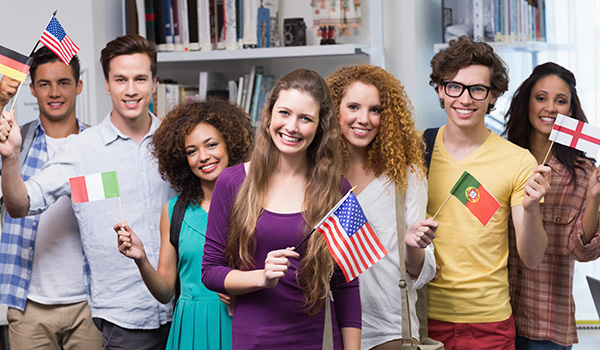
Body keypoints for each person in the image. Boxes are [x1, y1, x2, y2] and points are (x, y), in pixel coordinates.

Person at [0, 33, 174, 349]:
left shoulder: (175, 142)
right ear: (106, 85)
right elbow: (22, 204)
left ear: (154, 82)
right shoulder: (82, 151)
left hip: (182, 313)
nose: (131, 89)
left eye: (140, 79)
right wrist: (10, 157)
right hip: (124, 321)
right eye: (121, 79)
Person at [201, 68, 361, 349]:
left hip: (319, 341)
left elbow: (348, 285)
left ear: (320, 127)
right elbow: (210, 271)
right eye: (284, 113)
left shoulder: (339, 189)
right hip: (253, 340)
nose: (292, 127)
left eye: (305, 118)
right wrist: (261, 277)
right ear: (270, 115)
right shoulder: (232, 181)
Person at [425, 36, 551, 350]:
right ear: (440, 89)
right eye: (454, 86)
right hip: (422, 316)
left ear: (493, 96)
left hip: (489, 322)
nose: (465, 99)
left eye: (477, 89)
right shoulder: (415, 150)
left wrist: (533, 209)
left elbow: (532, 257)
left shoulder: (518, 160)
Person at [114, 98, 253, 349]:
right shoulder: (174, 212)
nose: (203, 157)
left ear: (230, 145)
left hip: (241, 324)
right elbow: (165, 292)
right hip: (190, 328)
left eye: (211, 145)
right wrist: (141, 258)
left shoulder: (255, 206)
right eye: (192, 151)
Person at [326, 64, 437, 349]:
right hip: (325, 325)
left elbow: (420, 273)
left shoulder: (406, 176)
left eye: (375, 110)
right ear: (333, 110)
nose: (364, 119)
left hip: (389, 328)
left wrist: (414, 245)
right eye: (353, 106)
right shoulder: (315, 174)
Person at [0, 47, 102, 349]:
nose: (54, 92)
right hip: (28, 304)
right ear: (31, 89)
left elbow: (104, 208)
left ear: (79, 85)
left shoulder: (97, 146)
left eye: (64, 82)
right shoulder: (12, 143)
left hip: (90, 304)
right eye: (44, 83)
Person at [504, 62, 600, 350]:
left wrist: (594, 198)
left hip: (547, 326)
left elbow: (583, 251)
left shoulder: (583, 174)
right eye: (541, 97)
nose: (550, 108)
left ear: (570, 111)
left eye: (561, 101)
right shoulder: (501, 159)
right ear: (527, 101)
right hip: (496, 317)